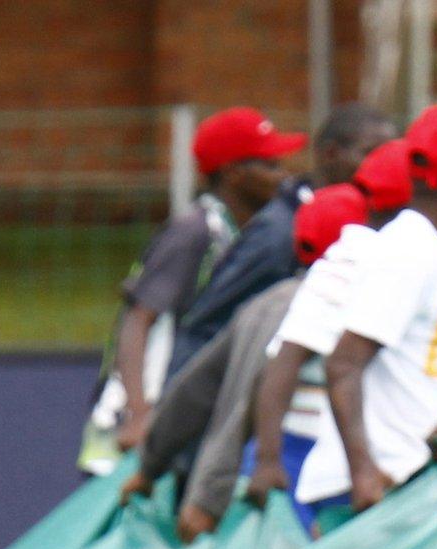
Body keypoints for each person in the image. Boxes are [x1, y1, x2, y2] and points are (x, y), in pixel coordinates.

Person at [116, 185, 373, 539]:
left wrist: (150, 468)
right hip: (298, 475)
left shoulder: (260, 305)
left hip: (244, 480)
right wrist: (207, 496)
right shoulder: (340, 306)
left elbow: (194, 390)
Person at [291, 105, 437, 533]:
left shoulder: (425, 248)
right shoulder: (411, 249)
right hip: (371, 489)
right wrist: (364, 474)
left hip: (399, 478)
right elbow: (343, 362)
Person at [78, 106, 301, 475]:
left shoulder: (247, 236)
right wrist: (139, 413)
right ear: (233, 173)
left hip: (176, 415)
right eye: (270, 165)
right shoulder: (194, 232)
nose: (283, 176)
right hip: (136, 422)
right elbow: (138, 318)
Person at [159, 102, 398, 409]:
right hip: (250, 410)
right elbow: (209, 324)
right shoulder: (280, 232)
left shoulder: (379, 220)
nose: (386, 164)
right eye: (371, 152)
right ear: (331, 154)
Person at [242, 143, 417, 524]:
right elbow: (284, 361)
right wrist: (268, 459)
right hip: (296, 449)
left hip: (321, 445)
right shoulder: (347, 265)